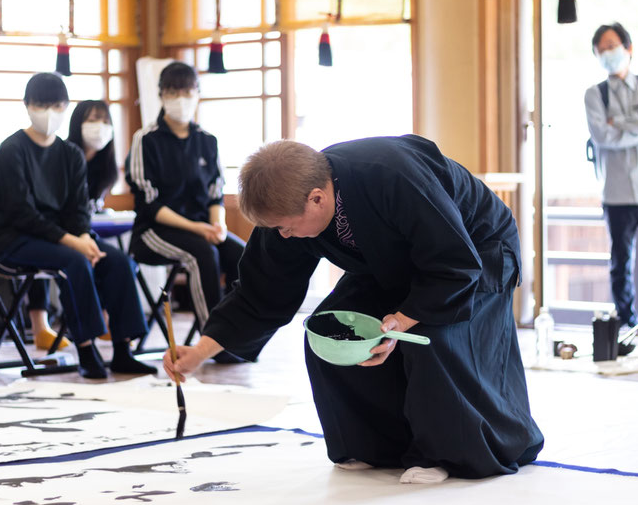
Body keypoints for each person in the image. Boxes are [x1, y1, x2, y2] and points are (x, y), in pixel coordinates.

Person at [164, 135, 544, 483]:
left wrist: (399, 321)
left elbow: (454, 264)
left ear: (317, 198)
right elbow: (261, 291)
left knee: (429, 334)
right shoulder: (286, 208)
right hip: (391, 264)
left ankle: (449, 453)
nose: (283, 235)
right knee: (330, 329)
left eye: (286, 228)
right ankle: (377, 447)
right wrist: (199, 353)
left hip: (475, 251)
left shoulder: (391, 175)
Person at [0, 72, 155, 378]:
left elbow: (77, 208)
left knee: (117, 261)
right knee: (74, 261)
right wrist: (75, 243)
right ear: (27, 105)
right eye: (41, 104)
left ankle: (123, 349)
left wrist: (85, 236)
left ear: (64, 107)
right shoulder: (11, 151)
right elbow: (21, 213)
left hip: (61, 238)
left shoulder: (70, 154)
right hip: (13, 239)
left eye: (56, 105)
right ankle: (86, 349)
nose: (49, 112)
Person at [126, 62, 245, 361]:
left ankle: (240, 336)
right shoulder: (146, 139)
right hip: (154, 232)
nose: (181, 97)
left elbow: (215, 192)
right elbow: (149, 204)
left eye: (187, 90)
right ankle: (214, 343)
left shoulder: (207, 141)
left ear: (197, 93)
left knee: (242, 255)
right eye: (173, 91)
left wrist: (216, 225)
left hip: (202, 229)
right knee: (201, 254)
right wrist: (199, 229)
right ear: (161, 95)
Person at [25, 100, 119, 350]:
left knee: (109, 257)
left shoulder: (106, 166)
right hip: (54, 228)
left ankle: (108, 322)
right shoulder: (63, 156)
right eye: (91, 120)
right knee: (57, 253)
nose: (99, 127)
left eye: (105, 121)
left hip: (81, 229)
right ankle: (41, 326)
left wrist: (84, 235)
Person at [584, 22, 638, 328]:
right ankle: (627, 321)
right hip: (617, 192)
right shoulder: (595, 94)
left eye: (613, 45)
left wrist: (618, 123)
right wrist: (636, 126)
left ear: (628, 47)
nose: (608, 52)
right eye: (602, 48)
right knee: (621, 263)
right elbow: (602, 136)